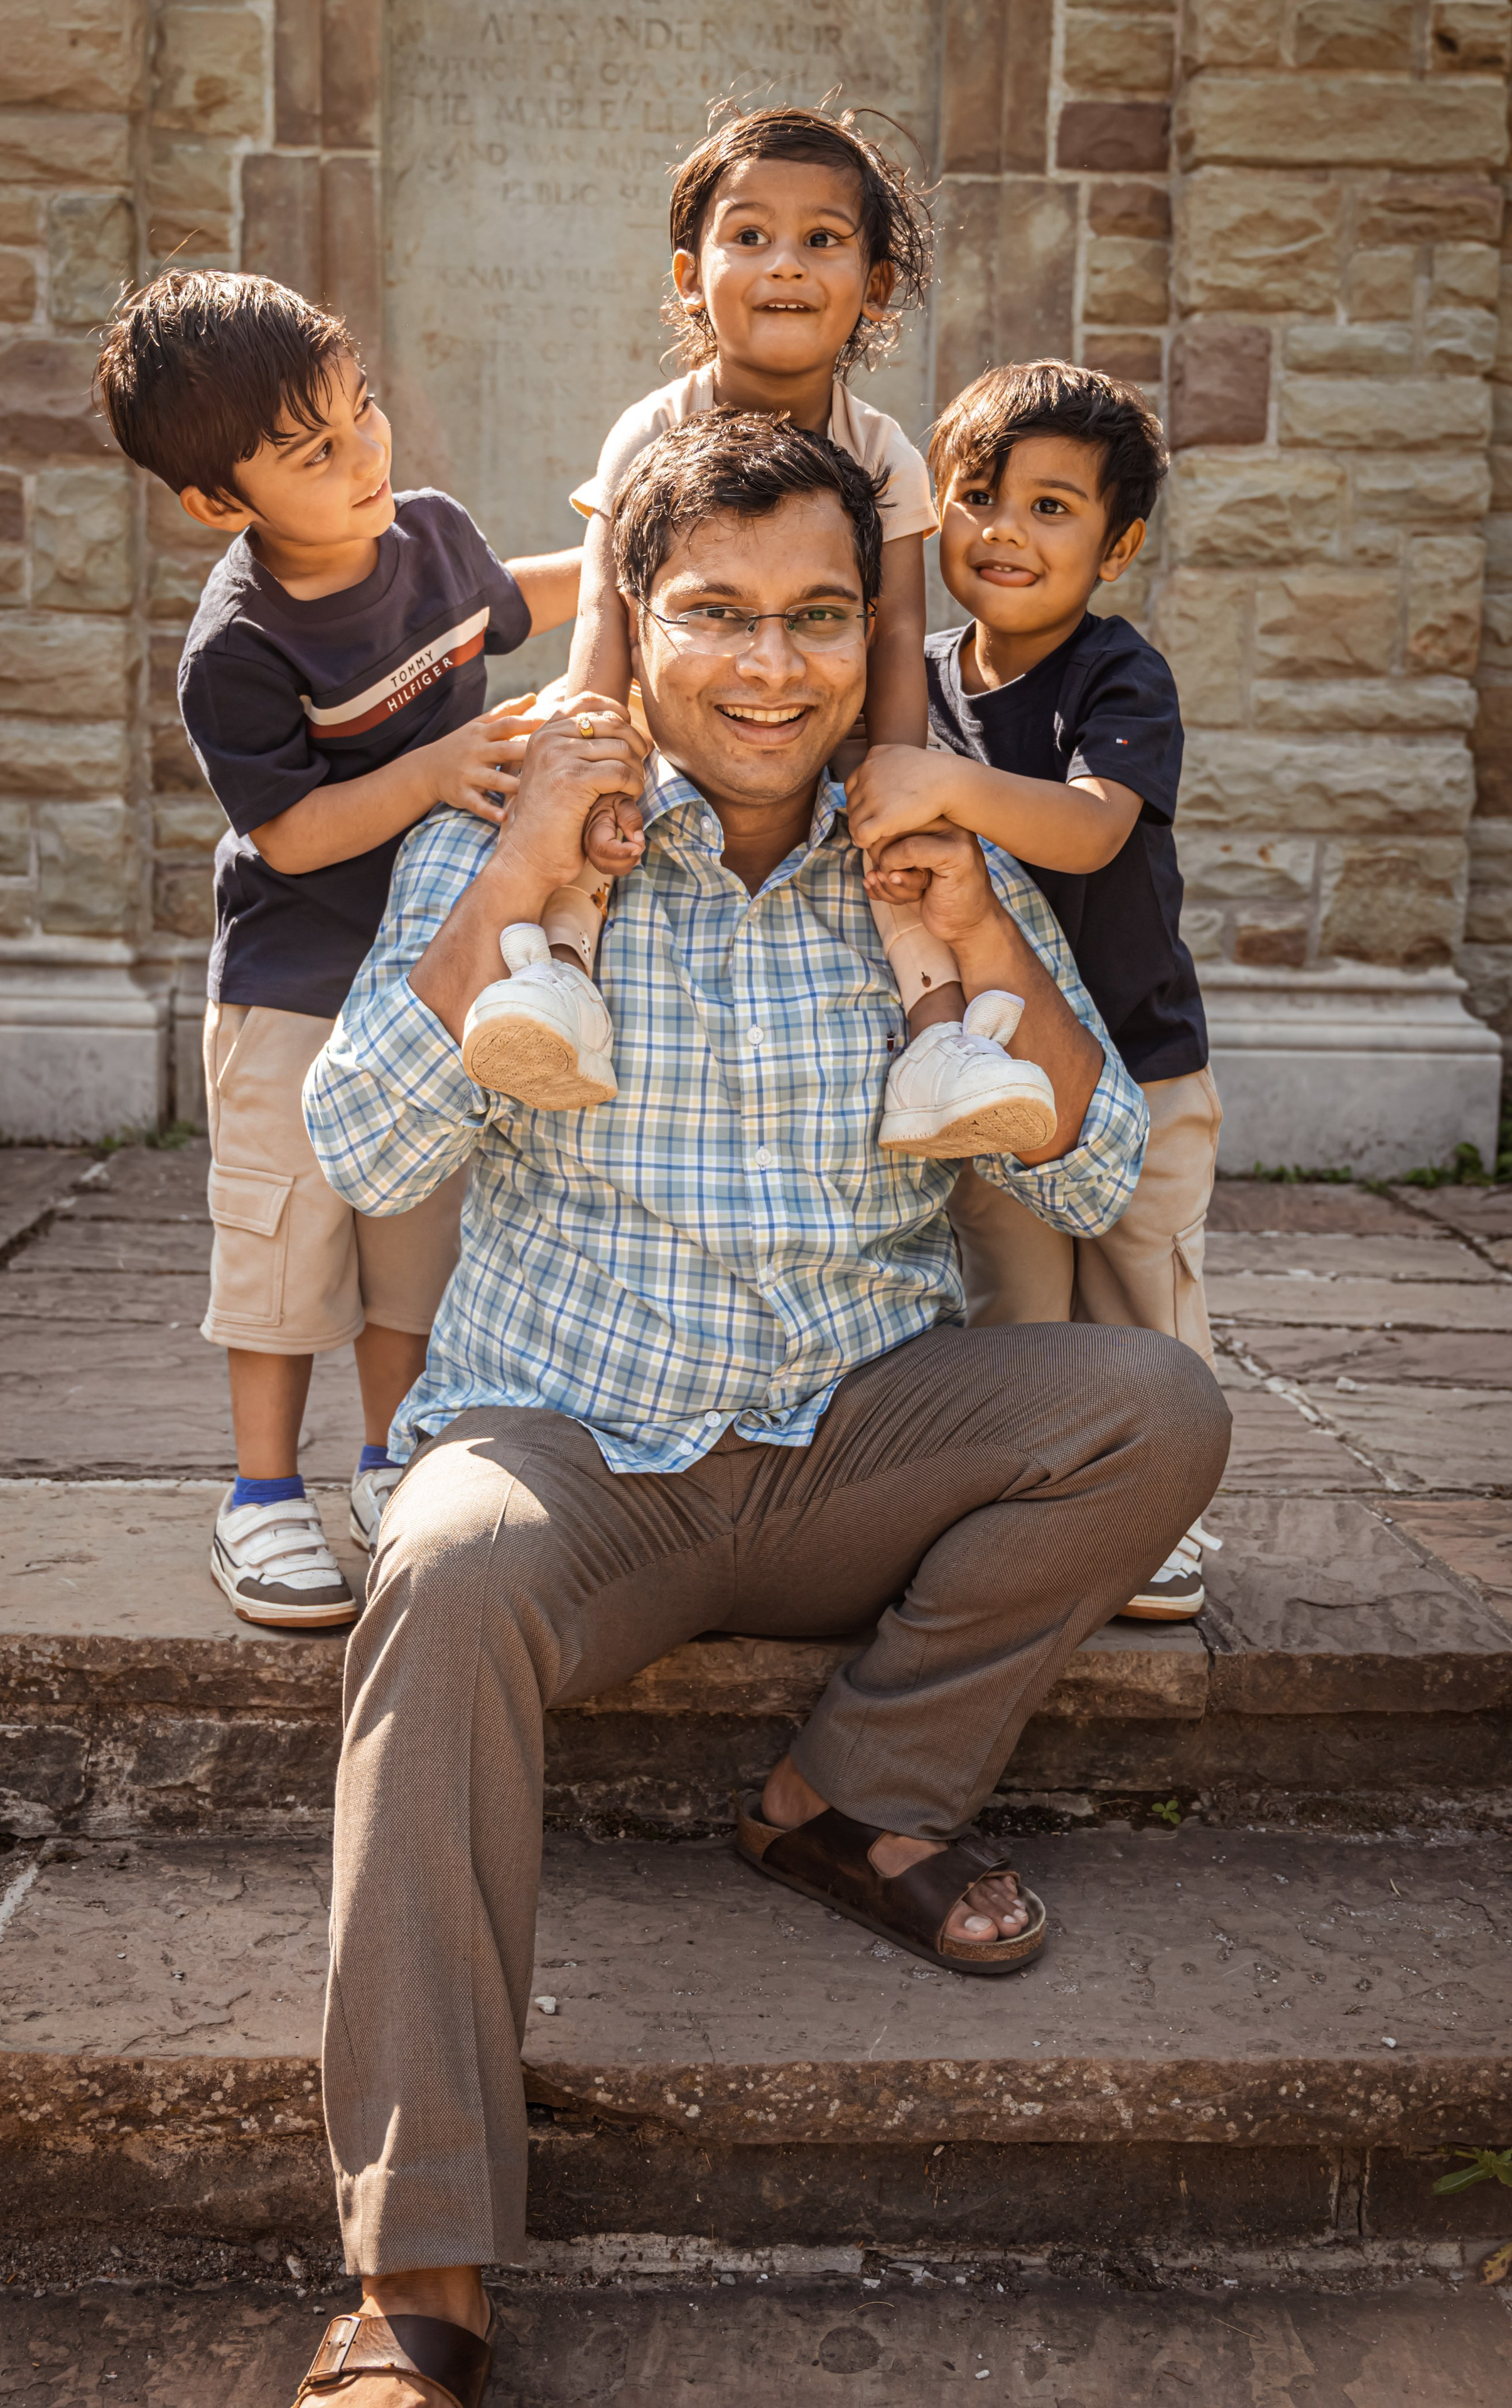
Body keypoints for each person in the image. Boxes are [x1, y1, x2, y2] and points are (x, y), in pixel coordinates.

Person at [291, 410, 1229, 2405]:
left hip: (851, 1431)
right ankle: (418, 2278)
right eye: (718, 614)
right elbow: (364, 1148)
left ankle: (854, 1793)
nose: (774, 666)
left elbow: (1087, 1168)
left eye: (818, 617)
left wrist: (982, 939)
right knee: (440, 1575)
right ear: (636, 622)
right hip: (568, 1450)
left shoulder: (917, 839)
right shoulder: (509, 829)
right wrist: (528, 863)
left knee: (1151, 1407)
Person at [93, 270, 581, 1627]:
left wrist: (640, 553)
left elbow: (517, 602)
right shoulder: (238, 645)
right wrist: (439, 769)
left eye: (360, 413)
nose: (364, 453)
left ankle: (389, 1462)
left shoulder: (427, 538)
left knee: (413, 1239)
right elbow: (294, 835)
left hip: (429, 979)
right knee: (287, 1247)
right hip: (294, 993)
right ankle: (260, 1498)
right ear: (219, 499)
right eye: (315, 451)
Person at [457, 104, 1056, 1162]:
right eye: (750, 236)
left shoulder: (883, 454)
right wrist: (597, 748)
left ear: (873, 285)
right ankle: (560, 984)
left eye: (823, 239)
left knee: (901, 858)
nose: (786, 264)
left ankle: (937, 1049)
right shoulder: (652, 428)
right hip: (665, 717)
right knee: (591, 815)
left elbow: (899, 622)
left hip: (836, 725)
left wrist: (896, 771)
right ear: (691, 274)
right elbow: (606, 609)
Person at [846, 359, 1223, 1619]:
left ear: (1113, 547)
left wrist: (941, 786)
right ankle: (1029, 1498)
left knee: (1137, 1286)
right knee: (1011, 1297)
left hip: (1138, 1061)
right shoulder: (926, 679)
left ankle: (1157, 1512)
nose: (1004, 531)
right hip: (999, 1066)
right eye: (976, 496)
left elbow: (1087, 833)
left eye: (1051, 509)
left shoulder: (1118, 678)